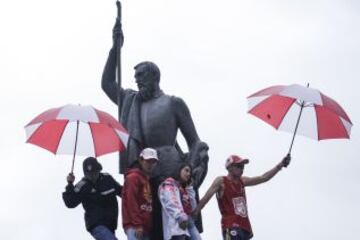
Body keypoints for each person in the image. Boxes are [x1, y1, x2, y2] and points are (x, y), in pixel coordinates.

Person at [102, 18, 209, 239]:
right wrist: (115, 49)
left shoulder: (173, 103)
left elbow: (195, 141)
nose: (137, 81)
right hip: (143, 173)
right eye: (135, 78)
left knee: (175, 229)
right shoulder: (131, 100)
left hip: (171, 171)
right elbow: (107, 84)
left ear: (154, 77)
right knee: (150, 230)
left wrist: (191, 167)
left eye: (141, 76)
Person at [193, 154, 291, 240]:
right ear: (230, 167)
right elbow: (206, 198)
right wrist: (195, 212)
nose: (242, 168)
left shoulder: (242, 181)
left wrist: (280, 165)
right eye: (239, 166)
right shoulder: (221, 181)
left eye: (243, 166)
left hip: (245, 227)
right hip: (230, 225)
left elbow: (264, 178)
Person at [62, 157, 122, 240]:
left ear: (99, 170)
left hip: (111, 224)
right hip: (96, 225)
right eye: (89, 174)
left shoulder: (107, 178)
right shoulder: (82, 186)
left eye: (94, 173)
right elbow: (70, 202)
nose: (92, 176)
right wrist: (70, 184)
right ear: (85, 174)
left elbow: (122, 192)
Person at [122, 148, 159, 240]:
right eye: (148, 161)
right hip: (135, 226)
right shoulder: (133, 177)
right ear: (140, 160)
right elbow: (131, 202)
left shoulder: (146, 178)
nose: (150, 164)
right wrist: (137, 224)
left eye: (153, 162)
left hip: (145, 227)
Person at [158, 163, 202, 240]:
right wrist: (180, 217)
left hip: (186, 225)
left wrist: (190, 188)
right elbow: (171, 202)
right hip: (176, 227)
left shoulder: (184, 189)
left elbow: (193, 209)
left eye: (190, 173)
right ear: (179, 170)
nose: (188, 174)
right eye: (186, 170)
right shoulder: (169, 184)